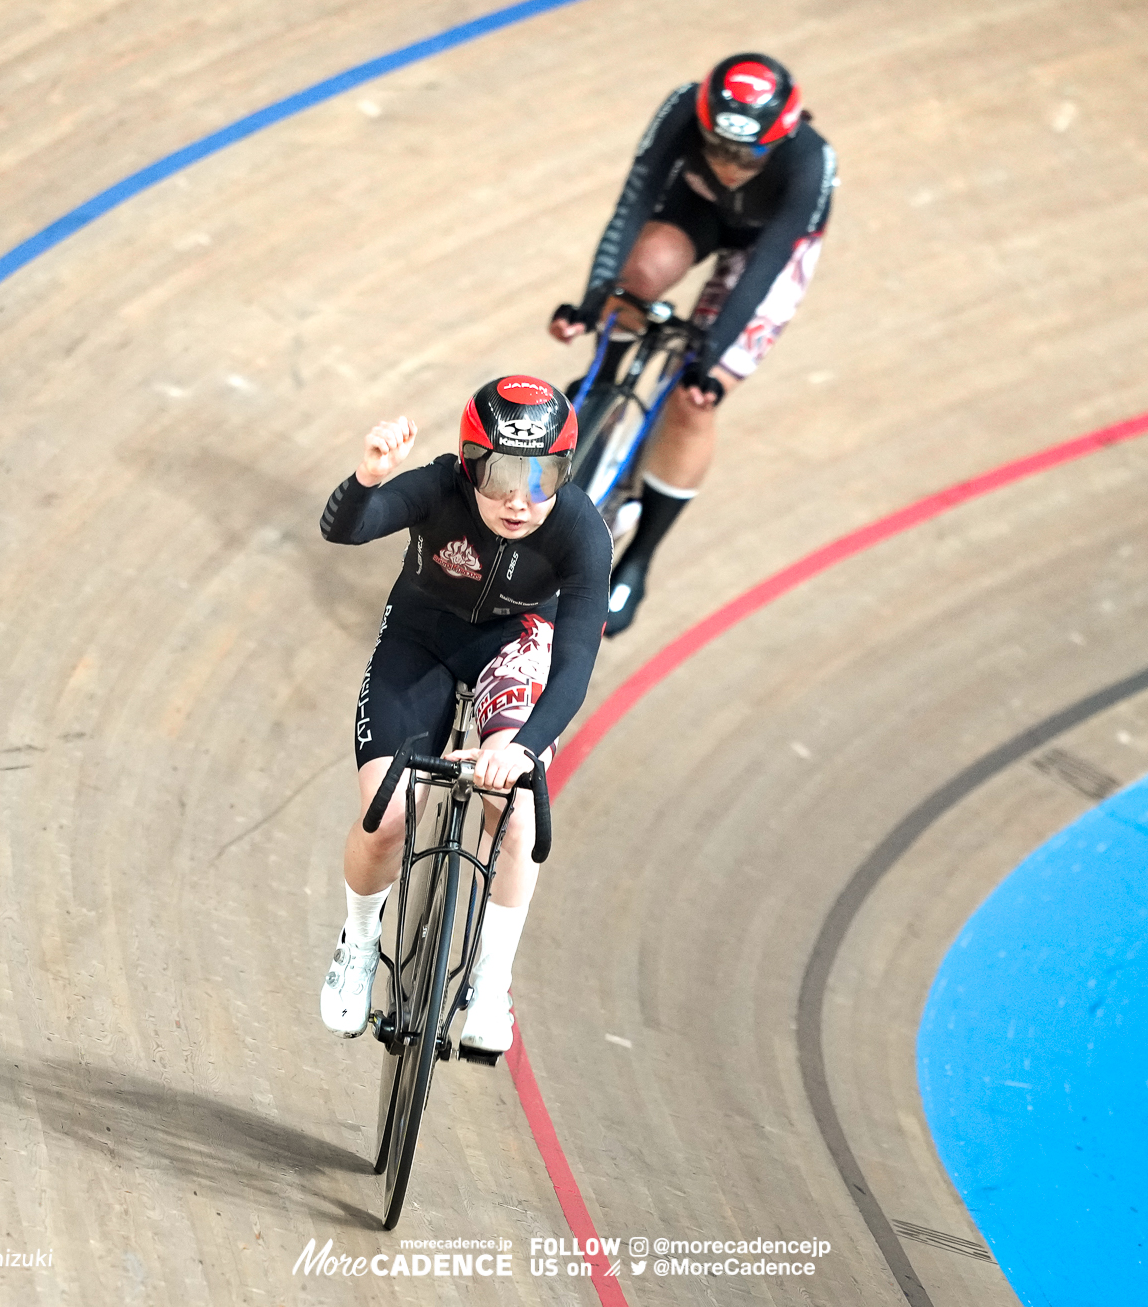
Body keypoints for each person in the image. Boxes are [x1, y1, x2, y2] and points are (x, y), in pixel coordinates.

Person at [316, 376, 612, 1054]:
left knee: (515, 807)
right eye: (501, 474)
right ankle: (359, 944)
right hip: (419, 638)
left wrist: (526, 747)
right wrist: (367, 477)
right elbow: (345, 529)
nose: (518, 498)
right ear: (469, 464)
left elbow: (573, 666)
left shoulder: (580, 530)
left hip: (515, 644)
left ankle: (490, 977)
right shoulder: (438, 487)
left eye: (540, 477)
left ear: (564, 473)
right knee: (387, 815)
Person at [551, 52, 836, 636]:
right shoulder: (682, 108)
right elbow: (632, 205)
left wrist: (709, 362)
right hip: (695, 213)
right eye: (718, 148)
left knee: (691, 400)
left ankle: (637, 561)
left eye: (747, 155)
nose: (730, 166)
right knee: (638, 278)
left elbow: (769, 267)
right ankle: (603, 388)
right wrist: (592, 301)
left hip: (765, 252)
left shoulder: (810, 159)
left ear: (779, 139)